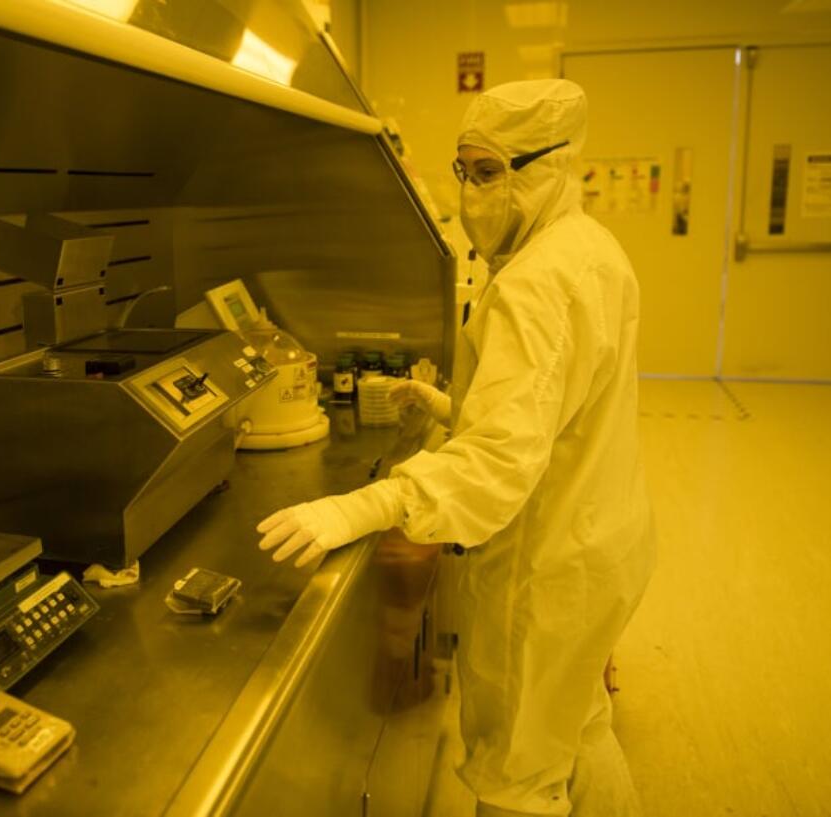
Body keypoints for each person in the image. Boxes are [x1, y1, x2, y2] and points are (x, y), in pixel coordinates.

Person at [254, 79, 656, 817]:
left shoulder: (536, 282)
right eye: (465, 169)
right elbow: (557, 409)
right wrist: (453, 406)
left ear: (552, 165)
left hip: (547, 569)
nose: (471, 192)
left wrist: (362, 506)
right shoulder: (591, 250)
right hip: (604, 540)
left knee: (516, 775)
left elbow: (499, 462)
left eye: (491, 172)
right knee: (576, 725)